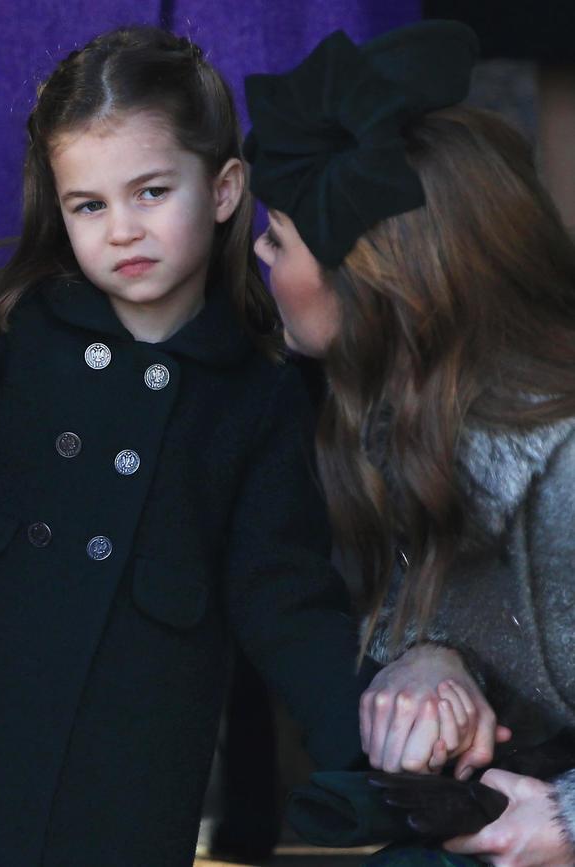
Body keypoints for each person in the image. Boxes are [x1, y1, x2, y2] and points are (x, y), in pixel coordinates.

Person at [0, 24, 396, 867]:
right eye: (89, 205)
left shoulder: (256, 392)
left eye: (150, 192)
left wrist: (378, 750)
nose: (121, 230)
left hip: (127, 785)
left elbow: (284, 594)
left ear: (223, 191)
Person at [244, 20, 575, 866]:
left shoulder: (563, 465)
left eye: (277, 238)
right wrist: (426, 654)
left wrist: (564, 824)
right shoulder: (384, 413)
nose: (257, 254)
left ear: (376, 283)